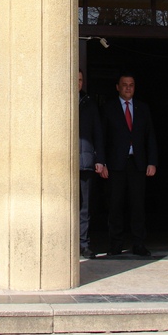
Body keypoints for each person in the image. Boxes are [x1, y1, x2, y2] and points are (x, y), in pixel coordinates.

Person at [101, 73, 158, 257]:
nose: (128, 88)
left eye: (131, 85)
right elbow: (102, 137)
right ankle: (115, 244)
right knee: (115, 205)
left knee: (137, 205)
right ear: (118, 87)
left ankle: (139, 244)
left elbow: (150, 136)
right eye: (124, 85)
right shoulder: (109, 108)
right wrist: (102, 162)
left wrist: (152, 162)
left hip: (137, 163)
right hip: (115, 164)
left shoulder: (143, 108)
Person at [78, 70, 104, 259]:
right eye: (75, 79)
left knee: (84, 207)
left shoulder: (89, 103)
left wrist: (100, 159)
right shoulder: (59, 100)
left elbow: (98, 133)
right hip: (60, 164)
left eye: (80, 80)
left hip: (85, 161)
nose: (77, 83)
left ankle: (83, 243)